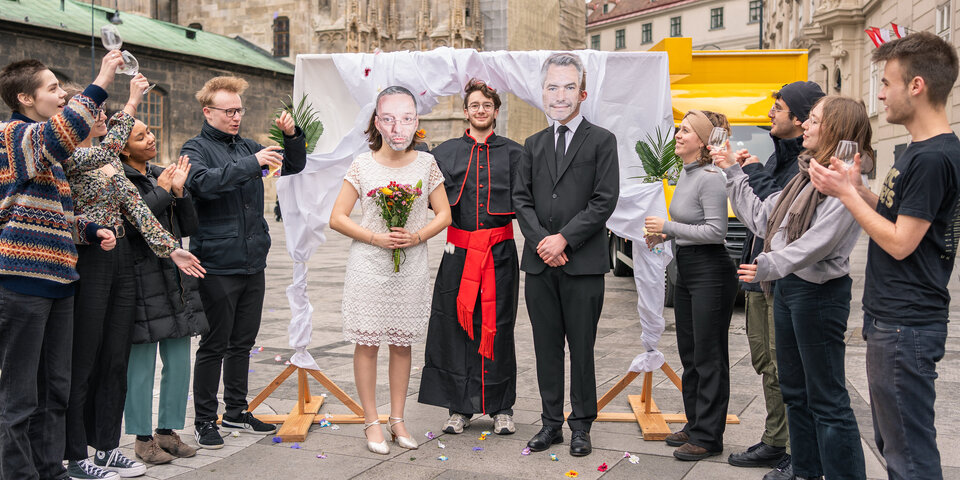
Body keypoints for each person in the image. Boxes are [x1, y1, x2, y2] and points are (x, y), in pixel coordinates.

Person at [809, 32, 960, 480]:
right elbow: (899, 218)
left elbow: (900, 242)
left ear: (916, 86)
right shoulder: (917, 151)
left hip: (906, 322)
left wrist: (845, 195)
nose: (879, 93)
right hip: (895, 319)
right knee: (895, 444)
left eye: (886, 82)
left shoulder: (934, 158)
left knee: (907, 455)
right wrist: (858, 190)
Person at [718, 95, 872, 479]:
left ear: (835, 128)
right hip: (788, 289)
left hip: (819, 296)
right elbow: (763, 219)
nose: (805, 125)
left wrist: (769, 263)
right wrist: (733, 174)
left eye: (815, 120)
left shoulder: (847, 178)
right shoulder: (807, 174)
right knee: (795, 392)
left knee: (827, 399)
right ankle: (805, 471)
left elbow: (820, 241)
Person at [63, 77, 205, 480]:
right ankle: (75, 454)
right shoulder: (70, 157)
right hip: (88, 260)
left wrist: (170, 246)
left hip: (120, 262)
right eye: (95, 112)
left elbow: (137, 210)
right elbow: (111, 146)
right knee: (85, 362)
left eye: (104, 113)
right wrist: (131, 99)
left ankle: (107, 448)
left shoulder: (105, 160)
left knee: (113, 362)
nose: (103, 117)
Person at [0, 53, 121, 480]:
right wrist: (103, 78)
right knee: (18, 396)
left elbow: (53, 216)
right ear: (24, 98)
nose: (63, 93)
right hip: (21, 284)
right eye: (52, 88)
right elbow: (61, 134)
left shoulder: (45, 155)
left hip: (59, 283)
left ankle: (50, 470)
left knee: (55, 390)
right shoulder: (13, 136)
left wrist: (88, 230)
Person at [183, 76, 306, 449]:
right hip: (217, 262)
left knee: (243, 342)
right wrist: (252, 162)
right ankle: (205, 418)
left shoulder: (247, 146)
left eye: (239, 110)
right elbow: (204, 184)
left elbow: (294, 166)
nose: (236, 117)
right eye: (229, 111)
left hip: (253, 260)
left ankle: (236, 410)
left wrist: (292, 136)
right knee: (214, 343)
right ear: (209, 112)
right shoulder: (196, 149)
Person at [329, 86, 452, 454]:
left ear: (416, 123)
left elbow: (444, 214)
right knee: (367, 343)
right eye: (390, 118)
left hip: (410, 265)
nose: (399, 126)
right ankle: (371, 421)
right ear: (378, 123)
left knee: (401, 343)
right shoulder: (362, 164)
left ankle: (397, 419)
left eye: (408, 118)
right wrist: (373, 237)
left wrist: (416, 237)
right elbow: (337, 217)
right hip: (369, 265)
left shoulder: (426, 164)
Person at [513, 52, 619, 458]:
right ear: (543, 93)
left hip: (583, 265)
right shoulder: (533, 144)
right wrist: (544, 241)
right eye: (552, 87)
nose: (560, 95)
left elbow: (603, 200)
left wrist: (564, 240)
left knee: (582, 348)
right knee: (545, 347)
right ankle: (550, 423)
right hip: (540, 265)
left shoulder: (602, 140)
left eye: (568, 87)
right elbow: (522, 200)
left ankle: (581, 426)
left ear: (583, 92)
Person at [727, 81, 825, 478]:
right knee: (765, 362)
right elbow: (757, 216)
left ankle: (796, 452)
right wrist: (743, 173)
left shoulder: (806, 163)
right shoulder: (777, 157)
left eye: (778, 108)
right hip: (757, 276)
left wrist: (748, 171)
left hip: (781, 279)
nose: (771, 113)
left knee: (788, 369)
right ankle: (775, 439)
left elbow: (781, 216)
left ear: (800, 120)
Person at [418, 78, 522, 435]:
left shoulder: (516, 153)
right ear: (466, 111)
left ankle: (501, 407)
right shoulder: (443, 153)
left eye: (487, 106)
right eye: (475, 105)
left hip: (500, 255)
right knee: (455, 326)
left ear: (496, 111)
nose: (481, 111)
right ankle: (458, 408)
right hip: (457, 253)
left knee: (500, 327)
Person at [644, 110, 737, 461]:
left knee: (709, 356)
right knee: (691, 354)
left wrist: (668, 227)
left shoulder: (711, 176)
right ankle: (696, 422)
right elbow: (688, 227)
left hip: (711, 272)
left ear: (701, 140)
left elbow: (716, 232)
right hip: (686, 267)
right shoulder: (688, 173)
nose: (678, 134)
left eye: (685, 130)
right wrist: (662, 237)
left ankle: (709, 437)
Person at [120, 123, 208, 466]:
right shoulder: (120, 177)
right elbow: (135, 223)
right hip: (141, 279)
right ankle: (142, 439)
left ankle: (167, 431)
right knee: (140, 365)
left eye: (151, 132)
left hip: (175, 280)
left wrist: (180, 193)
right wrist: (162, 190)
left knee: (179, 361)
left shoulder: (162, 173)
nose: (152, 138)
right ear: (124, 149)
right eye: (141, 136)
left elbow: (189, 227)